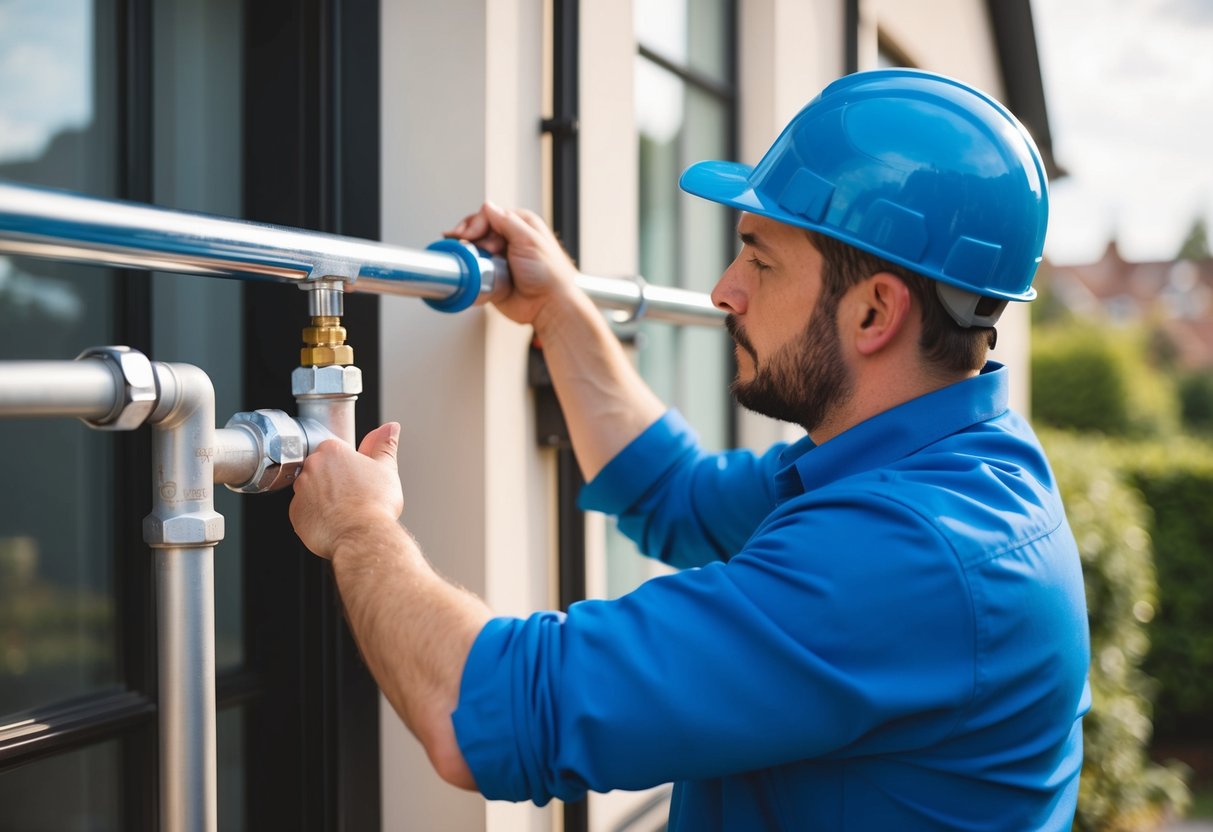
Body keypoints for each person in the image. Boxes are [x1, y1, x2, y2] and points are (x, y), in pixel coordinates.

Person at [288, 68, 1091, 830]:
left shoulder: (900, 556)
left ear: (874, 313)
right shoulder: (943, 465)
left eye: (759, 257)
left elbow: (480, 709)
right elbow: (675, 493)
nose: (723, 289)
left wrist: (360, 526)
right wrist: (559, 309)